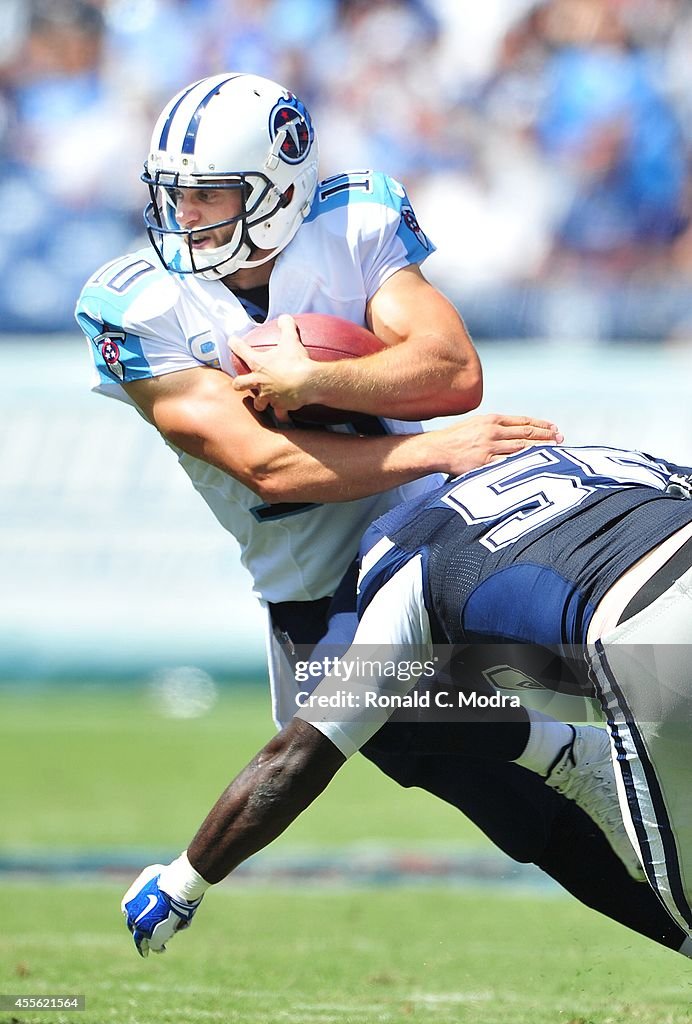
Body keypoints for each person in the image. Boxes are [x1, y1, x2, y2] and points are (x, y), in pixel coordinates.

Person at [74, 73, 671, 953]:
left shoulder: (351, 226)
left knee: (578, 687)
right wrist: (437, 445)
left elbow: (451, 370)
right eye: (176, 197)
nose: (185, 218)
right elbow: (266, 464)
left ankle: (592, 748)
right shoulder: (136, 303)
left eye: (209, 197)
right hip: (314, 578)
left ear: (278, 192)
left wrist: (317, 380)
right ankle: (579, 774)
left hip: (444, 529)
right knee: (491, 798)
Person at [122, 443, 692, 959]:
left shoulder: (403, 570)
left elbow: (296, 758)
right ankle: (568, 755)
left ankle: (570, 757)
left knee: (684, 894)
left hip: (649, 639)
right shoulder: (602, 461)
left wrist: (183, 882)